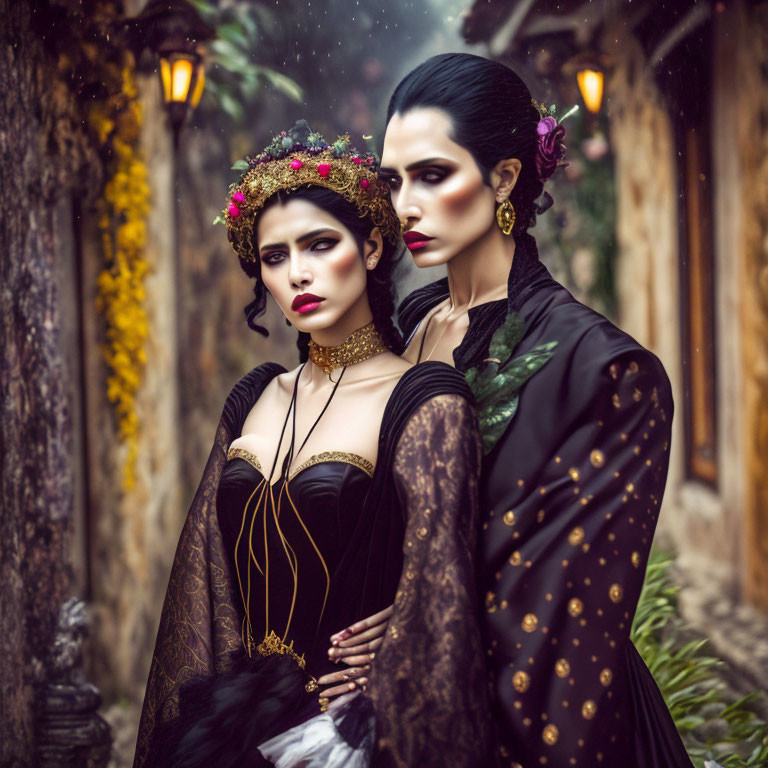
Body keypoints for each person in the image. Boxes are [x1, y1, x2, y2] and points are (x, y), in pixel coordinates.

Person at [326, 53, 695, 768]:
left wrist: (409, 626)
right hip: (378, 709)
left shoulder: (605, 373)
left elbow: (558, 618)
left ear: (504, 177)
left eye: (434, 175)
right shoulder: (410, 320)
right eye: (394, 181)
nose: (405, 207)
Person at [132, 122, 495, 768]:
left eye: (321, 245)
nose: (298, 273)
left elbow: (443, 600)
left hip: (350, 734)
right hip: (230, 732)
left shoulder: (425, 400)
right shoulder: (254, 398)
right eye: (275, 257)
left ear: (373, 247)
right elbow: (204, 588)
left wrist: (393, 660)